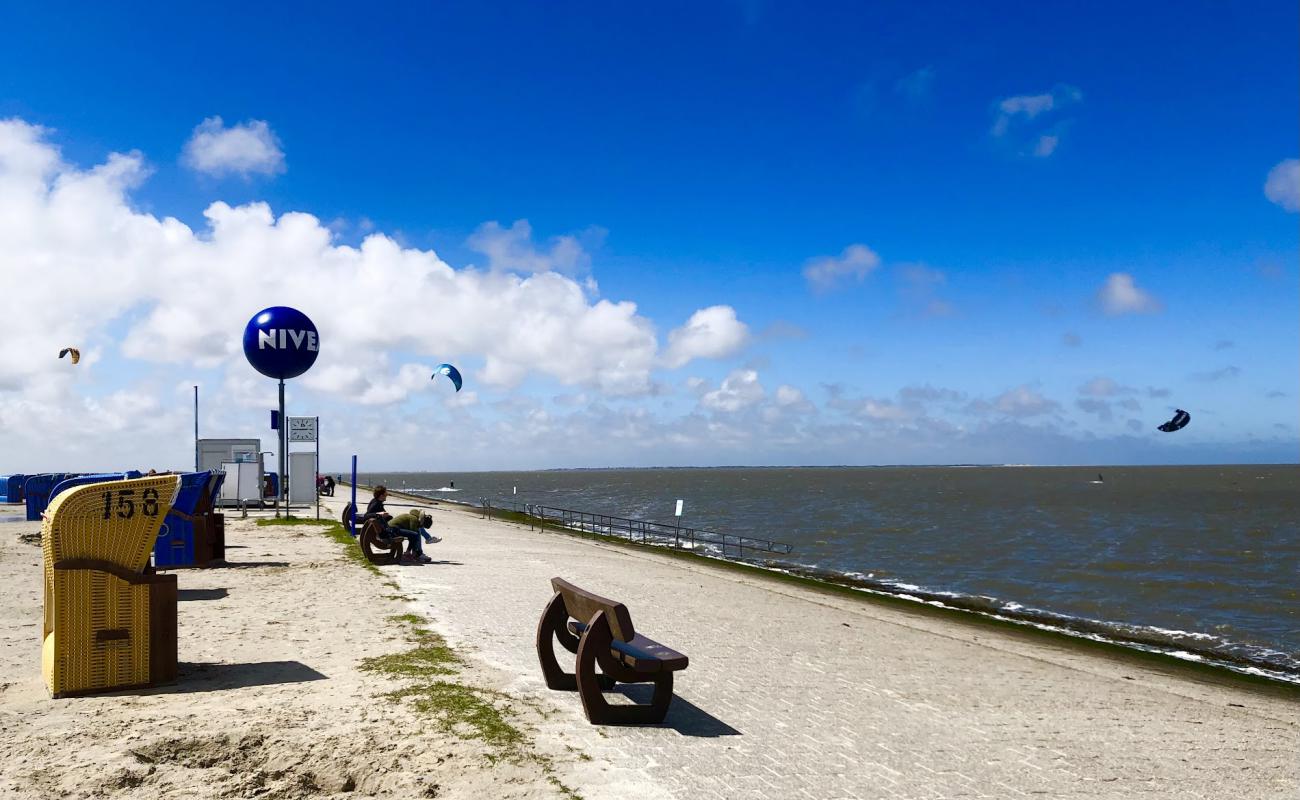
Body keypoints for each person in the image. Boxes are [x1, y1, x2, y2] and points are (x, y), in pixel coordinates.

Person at [364, 486, 425, 564]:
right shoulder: (376, 504)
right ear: (381, 495)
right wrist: (378, 514)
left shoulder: (375, 502)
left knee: (412, 532)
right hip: (389, 532)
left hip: (387, 530)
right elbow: (366, 516)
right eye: (386, 493)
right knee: (415, 534)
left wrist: (388, 517)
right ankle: (409, 554)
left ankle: (412, 553)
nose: (387, 494)